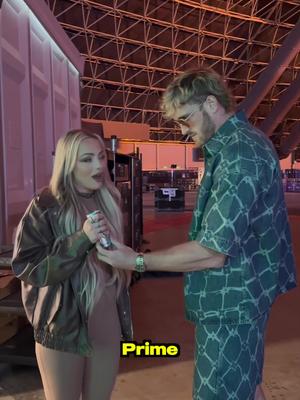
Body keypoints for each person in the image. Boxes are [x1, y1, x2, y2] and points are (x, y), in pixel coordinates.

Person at [96, 67, 297, 400]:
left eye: (185, 119)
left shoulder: (238, 155)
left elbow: (212, 251)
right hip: (246, 294)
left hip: (231, 301)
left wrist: (136, 260)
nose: (183, 130)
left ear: (211, 104)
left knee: (218, 391)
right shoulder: (243, 142)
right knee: (245, 383)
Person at [12, 129, 132, 400]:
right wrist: (82, 239)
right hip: (62, 325)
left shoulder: (109, 198)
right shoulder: (45, 204)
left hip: (106, 321)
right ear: (68, 165)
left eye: (101, 157)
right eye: (87, 159)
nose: (99, 166)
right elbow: (28, 267)